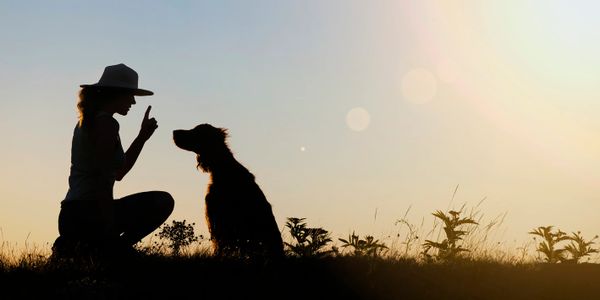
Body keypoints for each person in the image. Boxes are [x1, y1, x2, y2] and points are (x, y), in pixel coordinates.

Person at [52, 63, 174, 259]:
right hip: (89, 213)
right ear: (115, 94)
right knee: (162, 201)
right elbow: (102, 178)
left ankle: (90, 247)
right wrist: (108, 227)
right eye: (130, 95)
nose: (133, 102)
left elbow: (119, 173)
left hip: (74, 215)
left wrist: (142, 137)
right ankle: (108, 249)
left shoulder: (92, 121)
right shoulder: (107, 124)